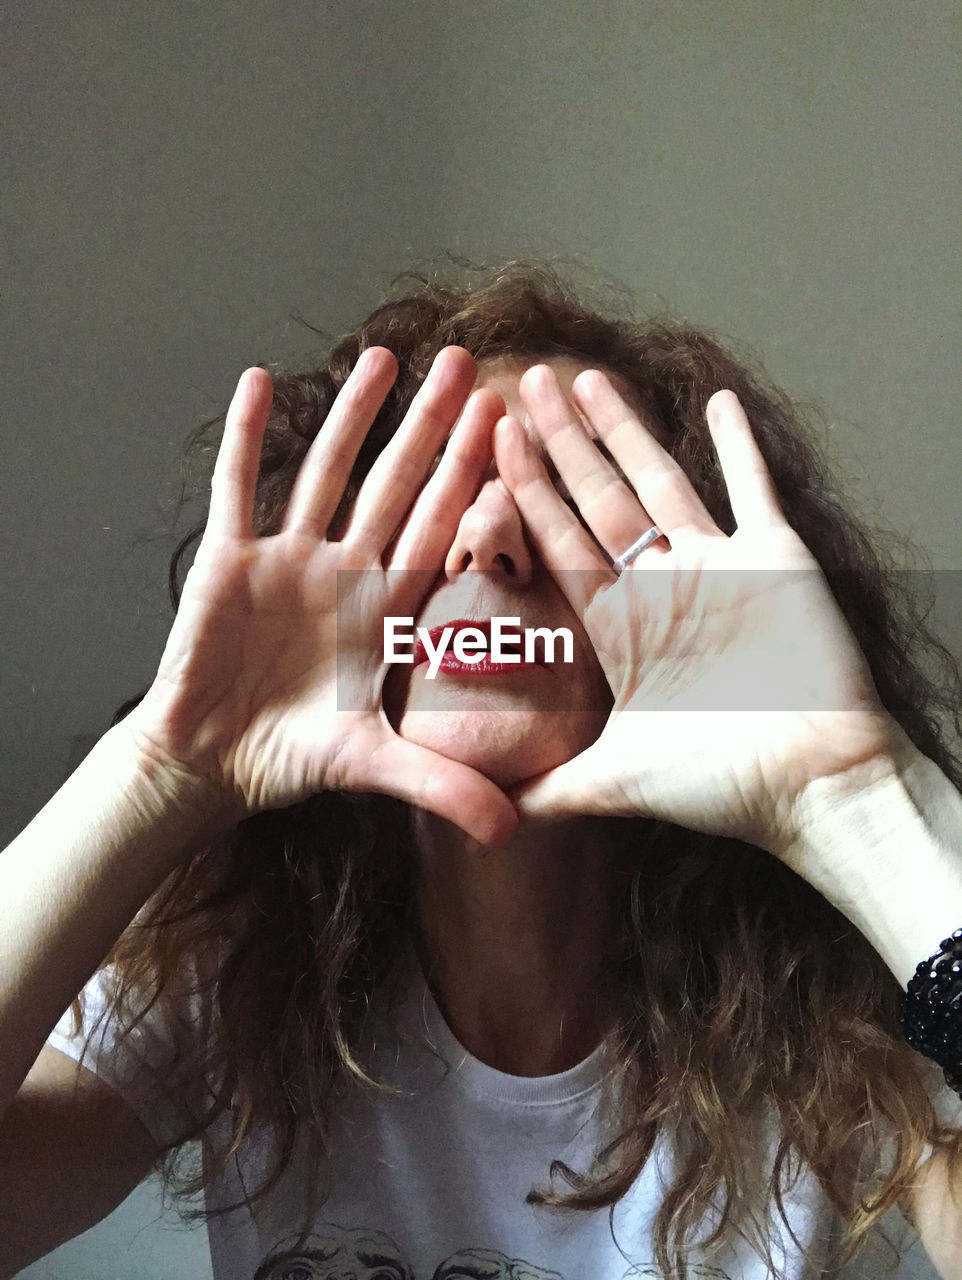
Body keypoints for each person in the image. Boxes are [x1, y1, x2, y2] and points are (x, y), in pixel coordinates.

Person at [1, 261, 961, 1280]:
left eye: (558, 500)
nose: (488, 538)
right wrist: (161, 769)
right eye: (432, 495)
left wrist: (856, 800)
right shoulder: (232, 965)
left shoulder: (852, 1000)